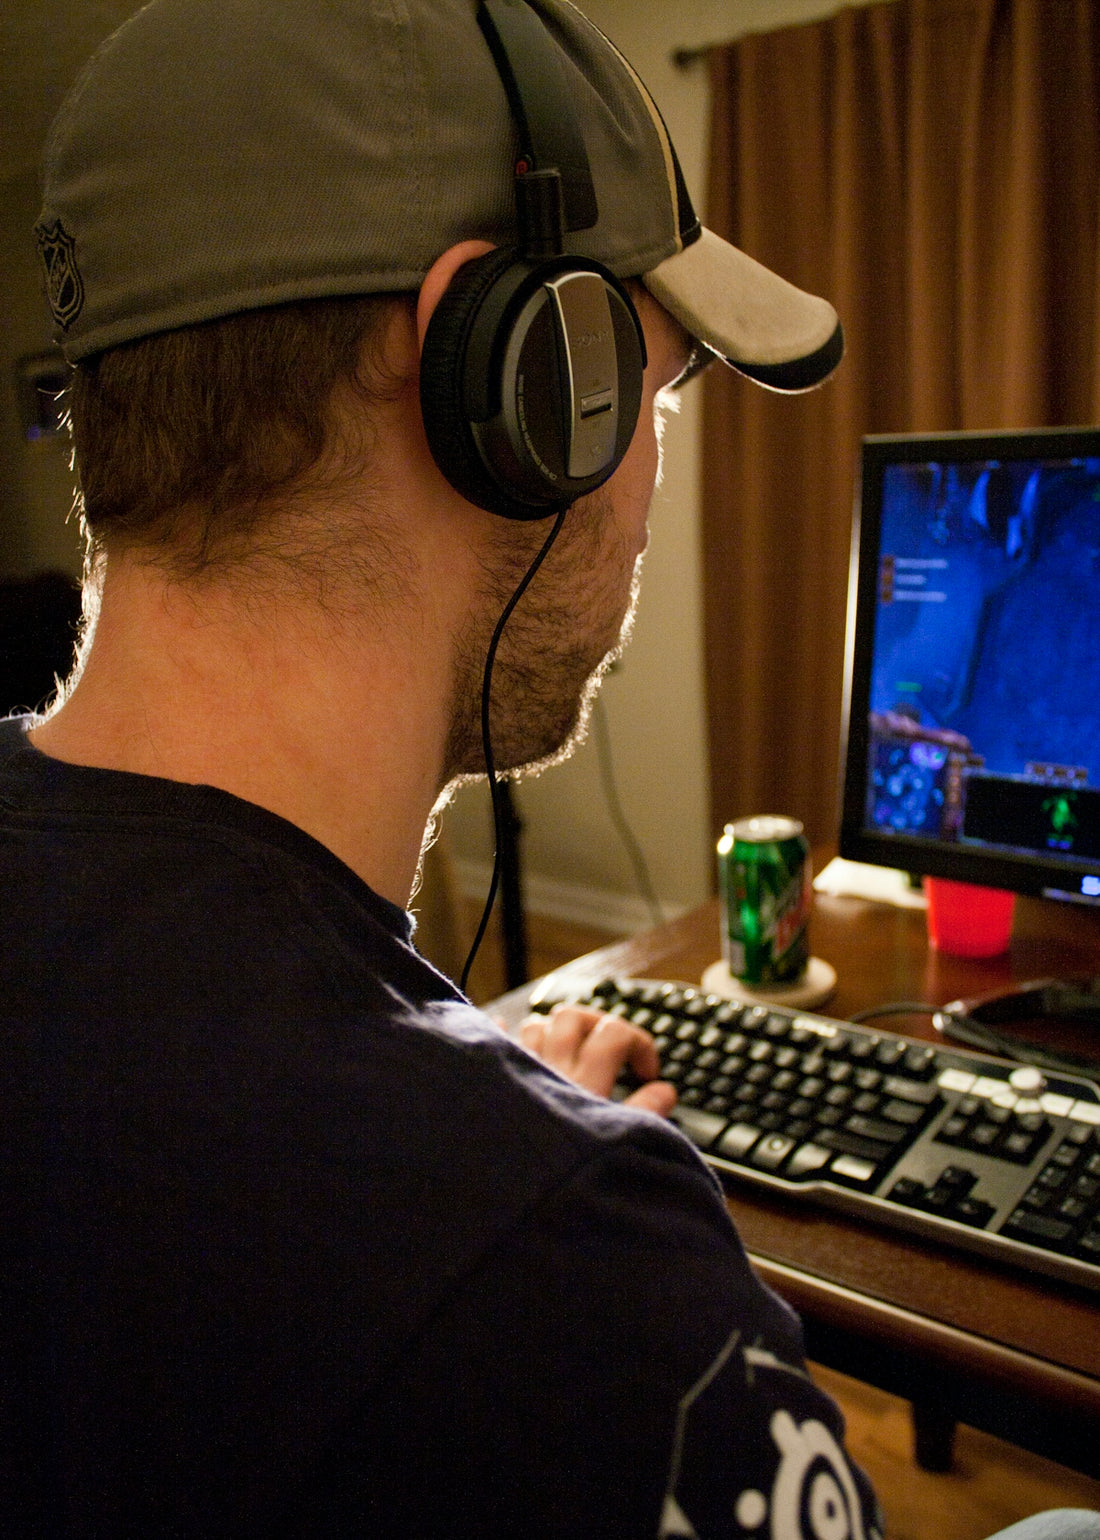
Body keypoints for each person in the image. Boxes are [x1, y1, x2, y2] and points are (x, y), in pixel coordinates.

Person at [2, 0, 1096, 1536]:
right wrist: (542, 1190)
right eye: (651, 395)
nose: (647, 482)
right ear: (509, 385)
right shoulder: (569, 1276)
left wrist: (481, 1100)